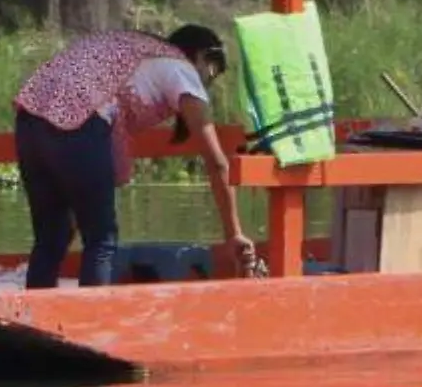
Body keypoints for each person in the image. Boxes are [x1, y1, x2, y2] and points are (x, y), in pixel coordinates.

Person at [13, 24, 253, 289]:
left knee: (52, 236)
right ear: (201, 55)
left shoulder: (136, 51)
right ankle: (91, 324)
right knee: (102, 239)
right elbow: (217, 161)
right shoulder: (180, 67)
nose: (207, 84)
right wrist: (234, 234)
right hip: (80, 124)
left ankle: (31, 320)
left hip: (29, 120)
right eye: (211, 73)